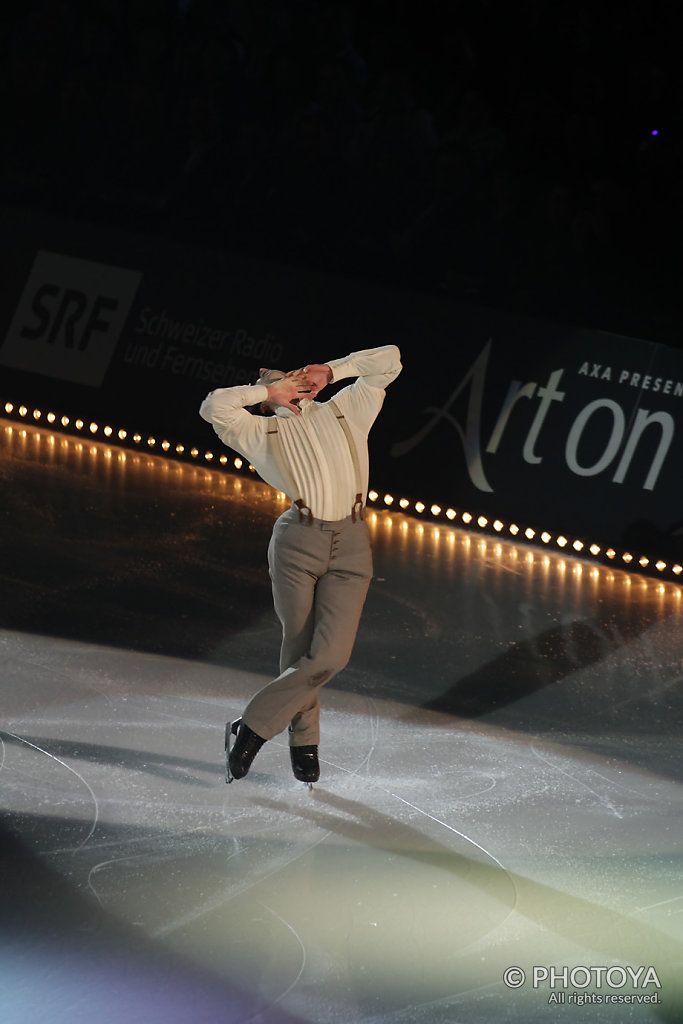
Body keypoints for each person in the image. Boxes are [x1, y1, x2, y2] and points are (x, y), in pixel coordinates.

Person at [199, 344, 402, 785]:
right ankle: (304, 743)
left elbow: (390, 360)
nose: (295, 383)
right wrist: (265, 394)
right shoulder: (258, 432)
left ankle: (251, 727)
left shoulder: (348, 408)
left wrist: (335, 369)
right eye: (280, 380)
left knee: (328, 656)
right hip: (298, 540)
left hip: (351, 542)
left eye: (296, 376)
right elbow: (213, 405)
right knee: (299, 647)